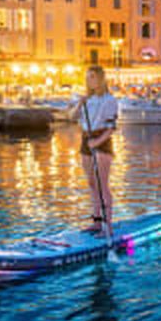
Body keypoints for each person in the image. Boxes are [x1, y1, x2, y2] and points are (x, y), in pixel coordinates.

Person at [70, 65, 119, 237]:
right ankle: (97, 222)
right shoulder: (86, 100)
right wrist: (79, 104)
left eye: (93, 77)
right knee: (92, 183)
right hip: (86, 139)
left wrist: (97, 141)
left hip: (101, 141)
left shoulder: (109, 100)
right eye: (88, 77)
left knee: (102, 184)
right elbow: (72, 118)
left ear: (101, 78)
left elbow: (111, 127)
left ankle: (108, 226)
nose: (90, 80)